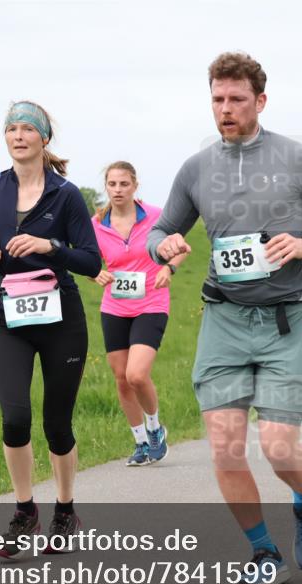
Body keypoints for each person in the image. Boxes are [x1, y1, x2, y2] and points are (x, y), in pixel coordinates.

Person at [147, 52, 302, 584]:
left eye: (237, 99)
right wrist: (162, 245)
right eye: (217, 99)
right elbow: (162, 230)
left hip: (287, 320)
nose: (225, 108)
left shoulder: (297, 159)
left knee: (279, 446)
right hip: (224, 319)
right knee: (224, 446)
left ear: (260, 101)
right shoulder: (196, 169)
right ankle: (264, 551)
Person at [0, 101, 101, 558]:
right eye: (12, 129)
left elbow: (91, 261)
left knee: (57, 424)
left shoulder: (66, 195)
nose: (18, 136)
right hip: (8, 318)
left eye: (27, 129)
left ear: (44, 139)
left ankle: (65, 511)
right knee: (15, 418)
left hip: (61, 319)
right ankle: (25, 511)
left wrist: (50, 246)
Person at [91, 161, 188, 466]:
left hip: (151, 302)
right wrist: (95, 273)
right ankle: (140, 442)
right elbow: (87, 259)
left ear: (135, 186)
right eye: (112, 184)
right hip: (115, 305)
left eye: (124, 184)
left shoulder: (156, 216)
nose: (118, 190)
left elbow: (181, 248)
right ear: (106, 187)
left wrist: (168, 268)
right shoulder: (97, 224)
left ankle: (155, 428)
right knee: (122, 378)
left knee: (136, 374)